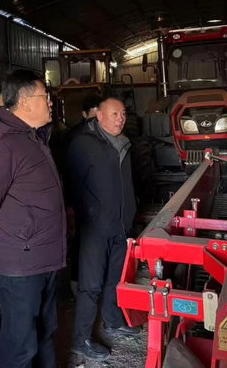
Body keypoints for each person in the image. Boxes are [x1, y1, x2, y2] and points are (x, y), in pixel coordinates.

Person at [0, 69, 66, 368]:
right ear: (24, 102)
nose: (50, 103)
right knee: (21, 346)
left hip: (40, 259)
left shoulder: (32, 137)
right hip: (18, 266)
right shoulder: (2, 145)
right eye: (45, 97)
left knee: (44, 332)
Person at [65, 97, 140, 362]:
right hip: (95, 227)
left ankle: (113, 321)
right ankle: (81, 339)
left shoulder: (123, 143)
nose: (121, 118)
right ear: (99, 116)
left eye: (123, 113)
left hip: (120, 225)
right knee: (91, 285)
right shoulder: (83, 143)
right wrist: (90, 213)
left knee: (115, 279)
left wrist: (131, 211)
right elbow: (72, 184)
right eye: (114, 114)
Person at [63, 93, 103, 297]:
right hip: (81, 199)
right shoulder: (73, 137)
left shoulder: (108, 134)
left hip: (101, 199)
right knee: (81, 239)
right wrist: (71, 204)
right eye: (93, 117)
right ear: (84, 114)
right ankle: (76, 281)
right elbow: (69, 173)